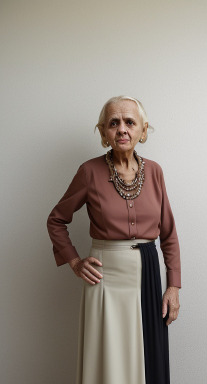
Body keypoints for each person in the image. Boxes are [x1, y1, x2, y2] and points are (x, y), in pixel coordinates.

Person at [46, 95, 181, 384]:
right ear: (104, 133)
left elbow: (168, 233)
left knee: (147, 360)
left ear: (143, 131)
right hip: (104, 279)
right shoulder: (89, 172)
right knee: (108, 363)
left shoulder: (155, 172)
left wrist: (173, 287)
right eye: (114, 123)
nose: (122, 129)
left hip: (147, 276)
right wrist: (74, 261)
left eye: (130, 122)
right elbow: (56, 220)